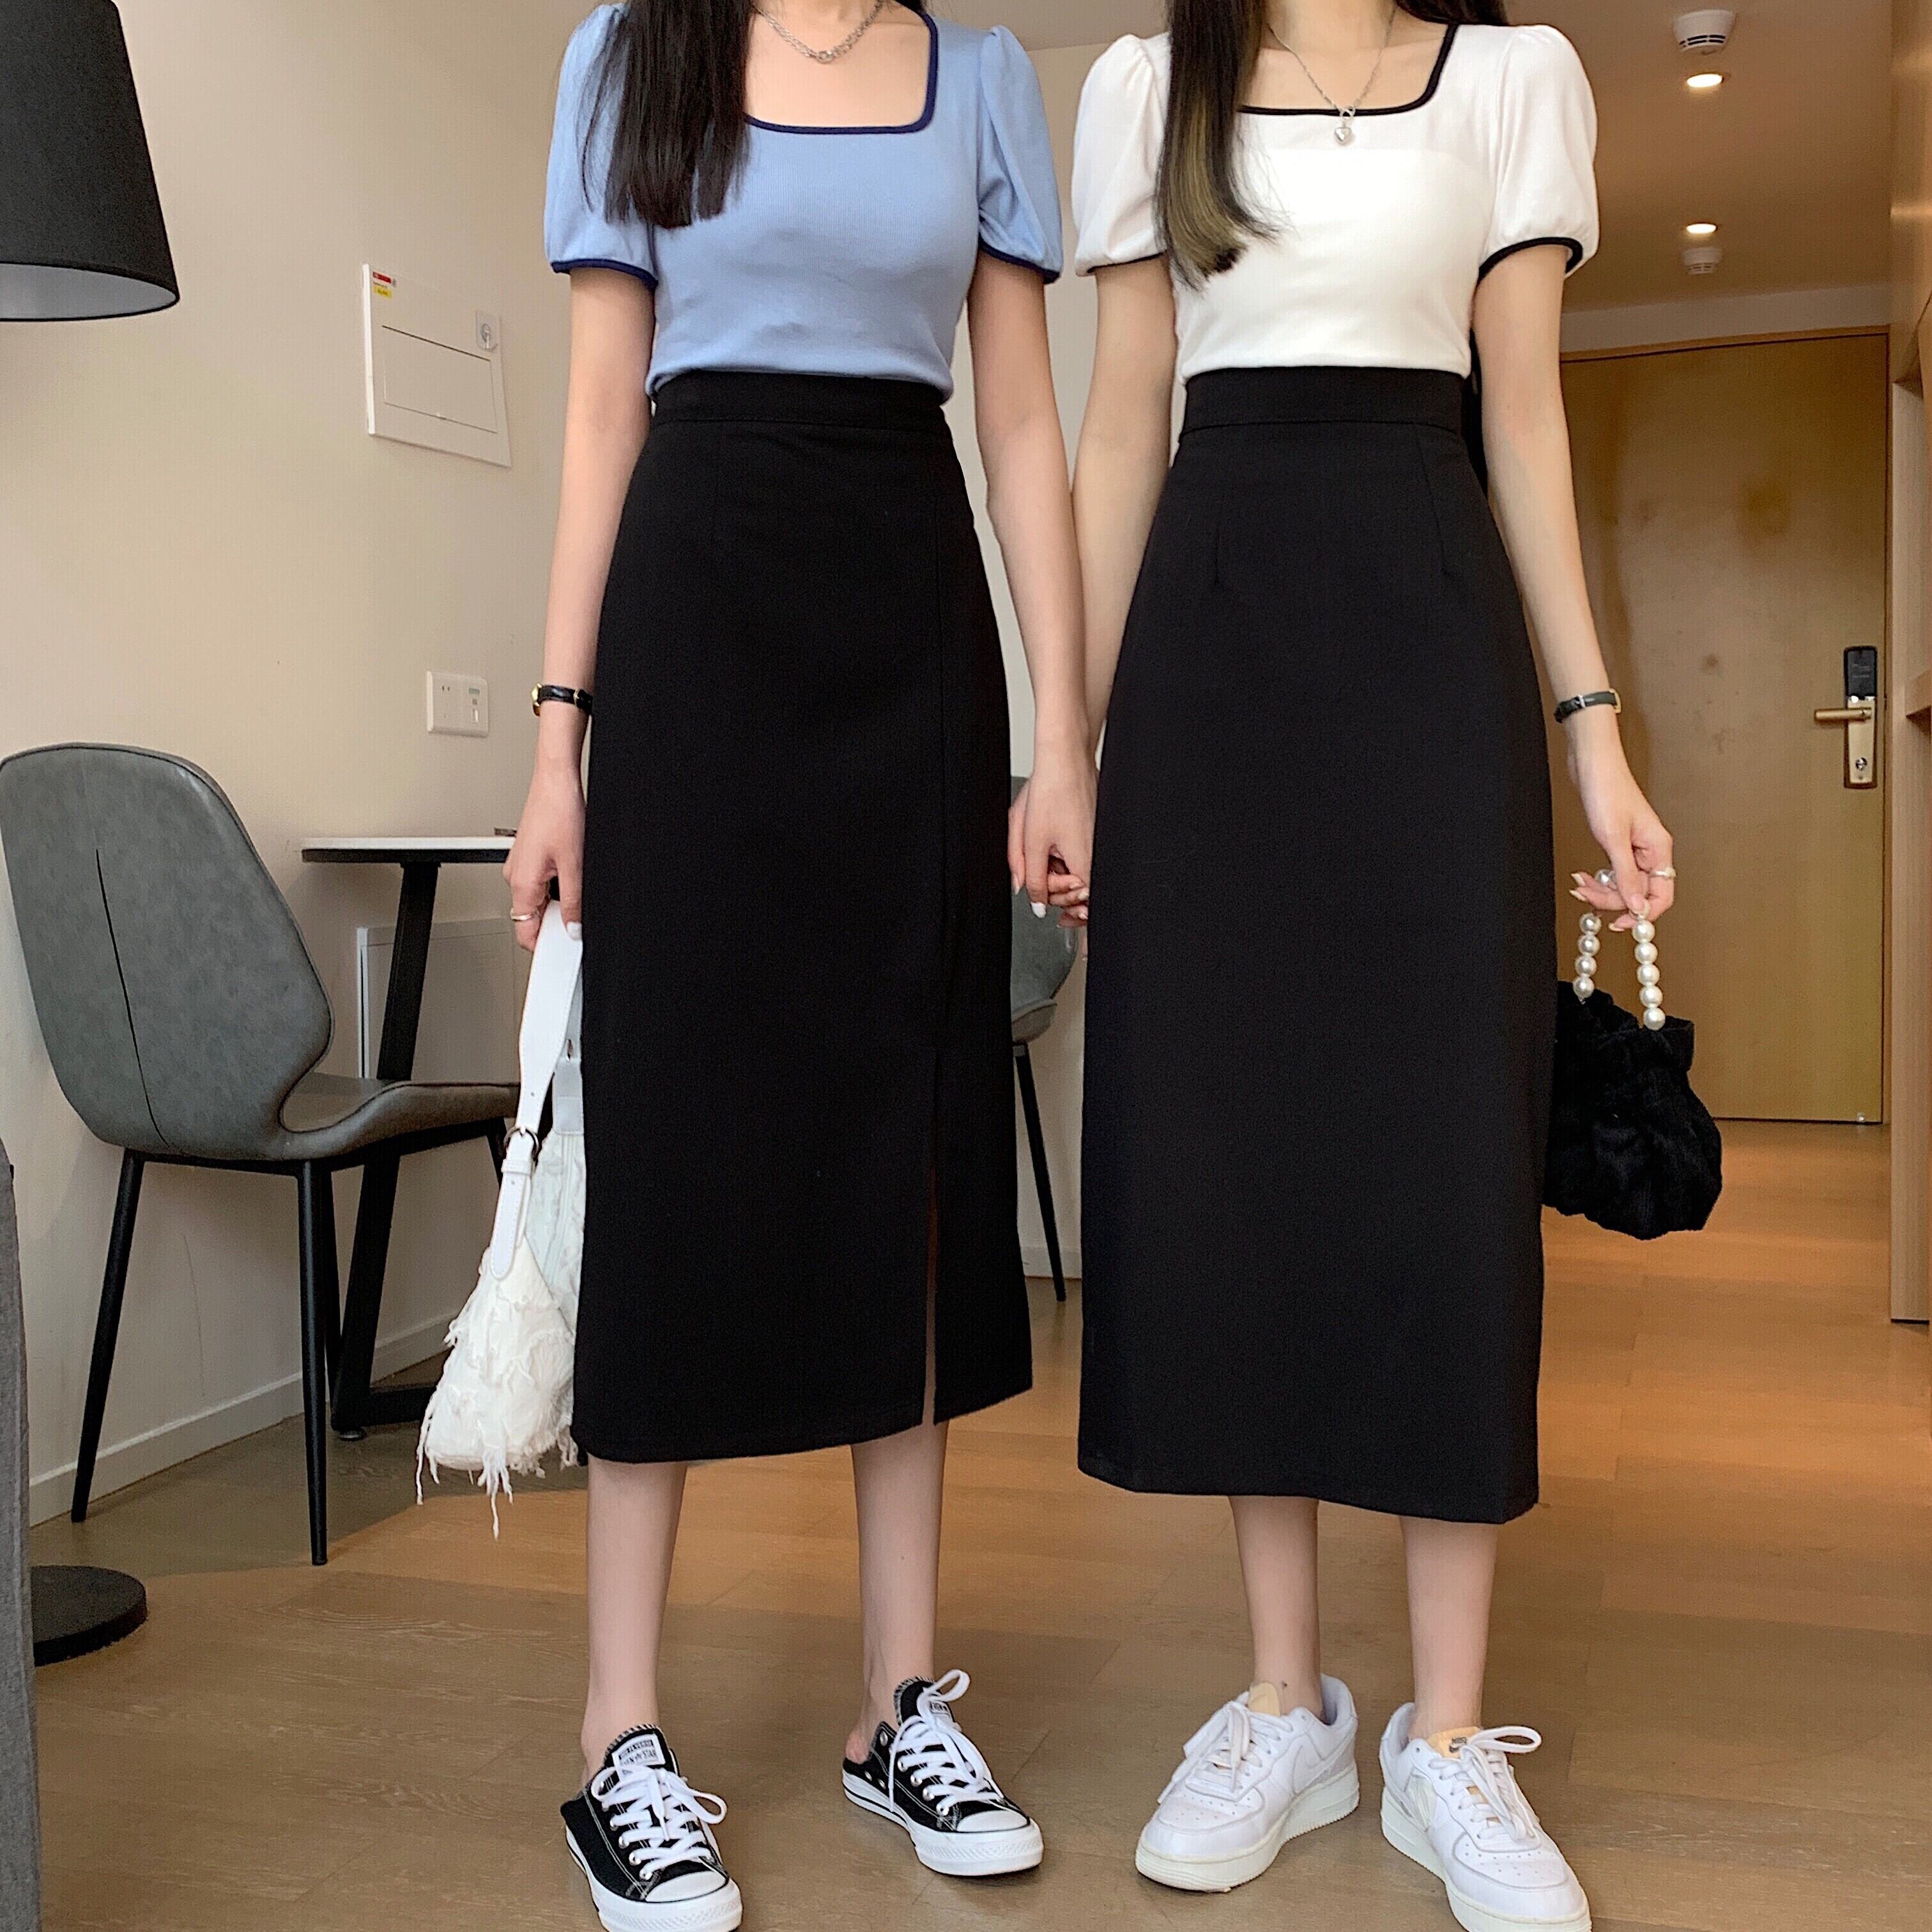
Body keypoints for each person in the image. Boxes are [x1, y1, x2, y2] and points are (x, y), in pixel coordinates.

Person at [1067, 4, 1673, 1927]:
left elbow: (1526, 418)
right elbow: (1120, 420)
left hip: (1428, 636)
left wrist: (1593, 735)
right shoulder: (1143, 85)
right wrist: (1067, 740)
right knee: (1251, 1165)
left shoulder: (1515, 79)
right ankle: (1287, 1707)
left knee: (1441, 1165)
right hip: (1211, 645)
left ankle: (1447, 1741)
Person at [508, 5, 1094, 1926]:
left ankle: (898, 1704)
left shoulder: (983, 79)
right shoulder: (635, 51)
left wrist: (1066, 735)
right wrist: (558, 744)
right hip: (695, 623)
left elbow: (1022, 423)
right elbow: (603, 411)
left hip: (910, 630)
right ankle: (618, 1733)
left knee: (907, 1160)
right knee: (674, 1151)